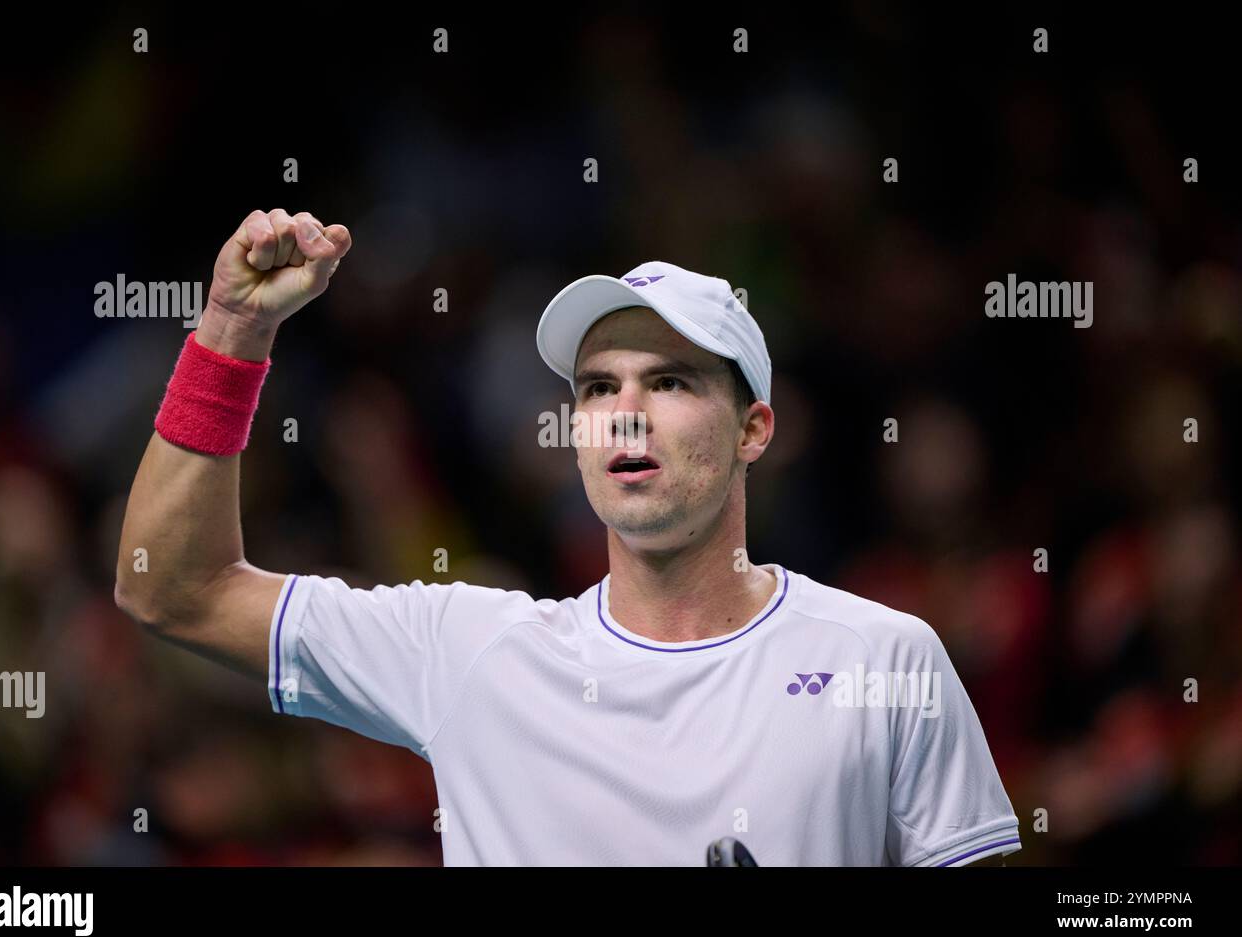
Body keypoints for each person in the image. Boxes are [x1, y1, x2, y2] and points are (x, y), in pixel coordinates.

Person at [115, 209, 1021, 866]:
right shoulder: (469, 653)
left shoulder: (884, 658)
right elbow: (172, 588)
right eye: (597, 388)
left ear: (754, 430)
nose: (624, 414)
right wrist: (233, 334)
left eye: (669, 382)